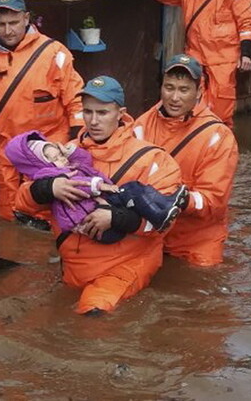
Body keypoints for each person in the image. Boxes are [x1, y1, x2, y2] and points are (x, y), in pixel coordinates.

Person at [14, 76, 183, 315]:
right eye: (87, 112)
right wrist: (48, 188)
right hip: (73, 267)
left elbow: (164, 224)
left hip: (125, 265)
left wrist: (116, 218)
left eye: (102, 113)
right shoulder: (65, 153)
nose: (93, 121)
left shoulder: (152, 159)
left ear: (121, 114)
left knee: (94, 313)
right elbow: (21, 205)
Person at [0, 0, 84, 221]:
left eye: (14, 22)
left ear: (27, 18)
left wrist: (77, 140)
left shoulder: (54, 53)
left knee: (49, 215)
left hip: (49, 149)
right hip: (5, 151)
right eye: (2, 24)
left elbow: (76, 100)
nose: (8, 30)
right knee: (8, 216)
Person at [120, 0, 251, 127]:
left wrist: (246, 53)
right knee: (188, 106)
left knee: (221, 112)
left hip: (223, 61)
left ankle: (220, 146)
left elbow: (246, 21)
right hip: (195, 57)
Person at [135, 54, 239, 267]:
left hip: (197, 239)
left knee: (199, 288)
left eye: (184, 90)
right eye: (169, 87)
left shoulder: (217, 137)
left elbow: (214, 201)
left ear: (199, 93)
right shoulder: (141, 125)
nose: (174, 97)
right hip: (149, 232)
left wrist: (180, 200)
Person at [5, 130, 188, 243]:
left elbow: (85, 161)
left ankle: (163, 208)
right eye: (54, 158)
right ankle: (161, 212)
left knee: (133, 190)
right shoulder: (50, 176)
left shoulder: (67, 161)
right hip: (95, 228)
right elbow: (80, 185)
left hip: (104, 228)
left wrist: (70, 152)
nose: (61, 159)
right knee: (132, 190)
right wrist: (100, 186)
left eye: (102, 112)